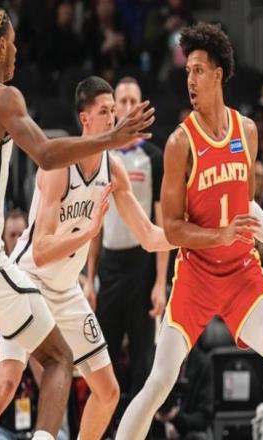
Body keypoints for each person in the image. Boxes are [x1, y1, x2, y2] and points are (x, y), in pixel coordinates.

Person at [0, 4, 154, 440]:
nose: (17, 52)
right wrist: (112, 138)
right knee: (58, 358)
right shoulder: (3, 97)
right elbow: (44, 153)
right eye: (12, 43)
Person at [116, 22, 263, 440]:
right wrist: (218, 235)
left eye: (198, 71)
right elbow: (172, 227)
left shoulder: (245, 131)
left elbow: (246, 209)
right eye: (187, 72)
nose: (190, 80)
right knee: (160, 382)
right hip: (195, 276)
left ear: (218, 75)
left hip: (241, 273)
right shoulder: (180, 143)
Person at [0, 76, 173, 440]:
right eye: (104, 111)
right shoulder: (59, 166)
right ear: (84, 119)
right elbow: (41, 250)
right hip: (28, 281)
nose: (113, 118)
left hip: (66, 290)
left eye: (114, 111)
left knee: (108, 391)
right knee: (6, 383)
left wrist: (197, 234)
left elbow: (150, 237)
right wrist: (87, 233)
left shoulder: (113, 170)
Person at [86, 76, 168, 401]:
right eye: (123, 101)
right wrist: (90, 279)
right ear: (114, 108)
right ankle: (107, 425)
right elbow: (95, 226)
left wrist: (160, 282)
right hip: (109, 264)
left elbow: (161, 224)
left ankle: (140, 426)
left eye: (135, 100)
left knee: (142, 360)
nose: (129, 106)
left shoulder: (154, 157)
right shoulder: (100, 154)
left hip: (141, 264)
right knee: (103, 358)